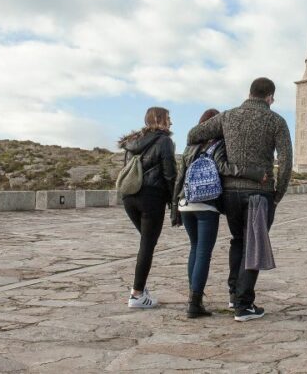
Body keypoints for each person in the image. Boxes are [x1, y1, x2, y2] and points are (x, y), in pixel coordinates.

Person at [186, 77, 292, 322]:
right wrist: (278, 194)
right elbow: (286, 162)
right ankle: (244, 305)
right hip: (259, 193)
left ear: (250, 93)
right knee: (253, 245)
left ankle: (235, 295)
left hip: (230, 194)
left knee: (238, 241)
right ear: (270, 97)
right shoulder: (276, 120)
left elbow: (193, 134)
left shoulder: (228, 116)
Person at [171, 108, 267, 319]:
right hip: (206, 205)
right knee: (204, 254)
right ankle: (194, 303)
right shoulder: (218, 145)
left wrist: (174, 207)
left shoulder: (190, 147)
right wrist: (253, 173)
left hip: (185, 203)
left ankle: (194, 298)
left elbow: (180, 177)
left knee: (194, 250)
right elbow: (224, 167)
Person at [118, 106, 176, 309]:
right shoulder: (164, 141)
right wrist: (173, 200)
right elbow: (169, 174)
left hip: (128, 196)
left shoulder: (132, 142)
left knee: (146, 241)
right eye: (168, 118)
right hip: (151, 197)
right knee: (147, 244)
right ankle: (137, 294)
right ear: (160, 119)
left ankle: (140, 290)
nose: (171, 122)